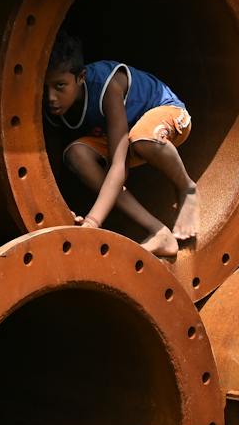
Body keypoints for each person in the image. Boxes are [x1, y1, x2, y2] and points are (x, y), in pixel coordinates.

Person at [43, 32, 198, 260]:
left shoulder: (107, 87)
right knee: (76, 154)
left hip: (166, 115)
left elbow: (119, 165)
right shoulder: (55, 105)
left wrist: (92, 222)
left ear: (81, 77)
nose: (51, 97)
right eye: (45, 87)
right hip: (127, 136)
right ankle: (159, 232)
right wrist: (60, 210)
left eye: (60, 86)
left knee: (142, 138)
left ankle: (187, 188)